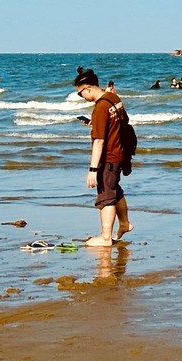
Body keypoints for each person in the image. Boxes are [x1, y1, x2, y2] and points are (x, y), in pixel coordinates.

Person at [74, 67, 133, 247]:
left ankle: (106, 237)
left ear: (88, 88)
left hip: (108, 157)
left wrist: (92, 170)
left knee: (106, 196)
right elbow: (122, 122)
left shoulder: (100, 108)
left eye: (80, 94)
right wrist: (95, 124)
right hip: (120, 153)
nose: (81, 97)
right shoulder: (114, 98)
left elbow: (99, 141)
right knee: (114, 189)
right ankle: (124, 223)